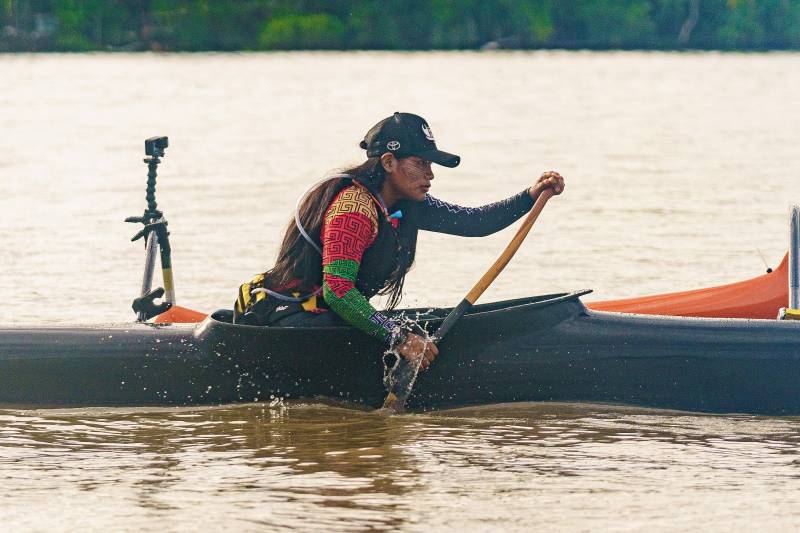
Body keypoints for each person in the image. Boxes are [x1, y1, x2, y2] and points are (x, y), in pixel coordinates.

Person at [234, 112, 564, 372]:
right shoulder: (353, 210)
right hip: (287, 320)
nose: (430, 174)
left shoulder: (407, 205)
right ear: (389, 163)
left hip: (326, 316)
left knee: (403, 328)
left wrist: (530, 195)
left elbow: (474, 223)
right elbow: (338, 292)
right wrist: (400, 337)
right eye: (421, 163)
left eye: (430, 164)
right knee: (398, 330)